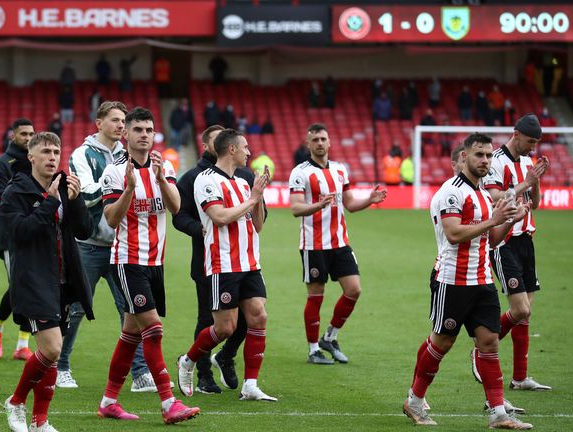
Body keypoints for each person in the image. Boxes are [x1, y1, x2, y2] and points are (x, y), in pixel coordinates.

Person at [403, 132, 532, 429]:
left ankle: (499, 413)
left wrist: (510, 219)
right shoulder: (451, 192)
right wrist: (492, 221)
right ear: (464, 157)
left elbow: (490, 240)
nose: (485, 160)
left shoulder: (485, 195)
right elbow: (454, 233)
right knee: (442, 342)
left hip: (482, 278)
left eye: (488, 155)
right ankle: (415, 400)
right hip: (452, 280)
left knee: (489, 342)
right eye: (479, 154)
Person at [96, 107, 198, 424]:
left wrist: (159, 179)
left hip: (156, 261)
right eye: (137, 129)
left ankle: (108, 400)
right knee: (152, 329)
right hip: (129, 260)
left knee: (131, 333)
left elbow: (177, 206)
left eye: (148, 129)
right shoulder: (114, 172)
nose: (144, 134)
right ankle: (169, 402)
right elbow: (111, 219)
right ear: (125, 134)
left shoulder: (163, 167)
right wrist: (128, 188)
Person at [0, 132, 93, 432]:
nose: (53, 157)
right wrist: (50, 203)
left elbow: (84, 231)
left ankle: (41, 421)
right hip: (33, 280)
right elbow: (21, 233)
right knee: (52, 349)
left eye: (56, 151)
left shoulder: (65, 188)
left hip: (64, 281)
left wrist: (76, 202)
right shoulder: (15, 193)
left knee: (52, 355)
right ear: (31, 157)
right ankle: (15, 402)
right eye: (46, 152)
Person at [176, 128, 276, 403]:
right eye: (245, 147)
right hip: (223, 264)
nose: (249, 152)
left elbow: (258, 226)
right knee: (225, 328)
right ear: (231, 149)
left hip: (250, 262)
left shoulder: (244, 183)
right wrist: (253, 199)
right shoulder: (205, 181)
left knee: (259, 316)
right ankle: (188, 361)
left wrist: (257, 196)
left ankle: (251, 385)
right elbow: (219, 217)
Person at [60, 101, 152, 391]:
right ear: (98, 123)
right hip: (87, 244)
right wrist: (119, 182)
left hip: (121, 246)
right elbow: (86, 195)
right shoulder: (82, 154)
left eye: (123, 121)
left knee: (131, 310)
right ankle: (61, 366)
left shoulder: (129, 154)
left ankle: (139, 374)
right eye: (114, 120)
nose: (120, 125)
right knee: (74, 308)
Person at [289, 123, 387, 365]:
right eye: (315, 140)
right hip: (313, 244)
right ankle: (313, 350)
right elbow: (295, 208)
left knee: (354, 289)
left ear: (329, 142)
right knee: (316, 296)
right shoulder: (300, 173)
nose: (320, 143)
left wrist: (370, 200)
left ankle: (330, 337)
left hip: (340, 242)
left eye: (323, 139)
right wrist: (318, 205)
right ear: (308, 144)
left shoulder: (340, 170)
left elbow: (350, 204)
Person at [474, 114, 552, 393]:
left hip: (526, 240)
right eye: (530, 141)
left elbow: (536, 204)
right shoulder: (495, 160)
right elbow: (494, 198)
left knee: (525, 315)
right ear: (516, 134)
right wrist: (525, 182)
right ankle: (480, 350)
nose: (533, 147)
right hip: (504, 240)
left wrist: (536, 181)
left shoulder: (528, 163)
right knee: (520, 309)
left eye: (536, 142)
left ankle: (520, 377)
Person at [0, 118, 36, 361]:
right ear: (13, 136)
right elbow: (3, 202)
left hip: (37, 232)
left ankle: (22, 345)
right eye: (23, 134)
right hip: (12, 236)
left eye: (31, 133)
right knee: (19, 287)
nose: (28, 138)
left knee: (32, 285)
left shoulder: (38, 160)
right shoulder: (1, 165)